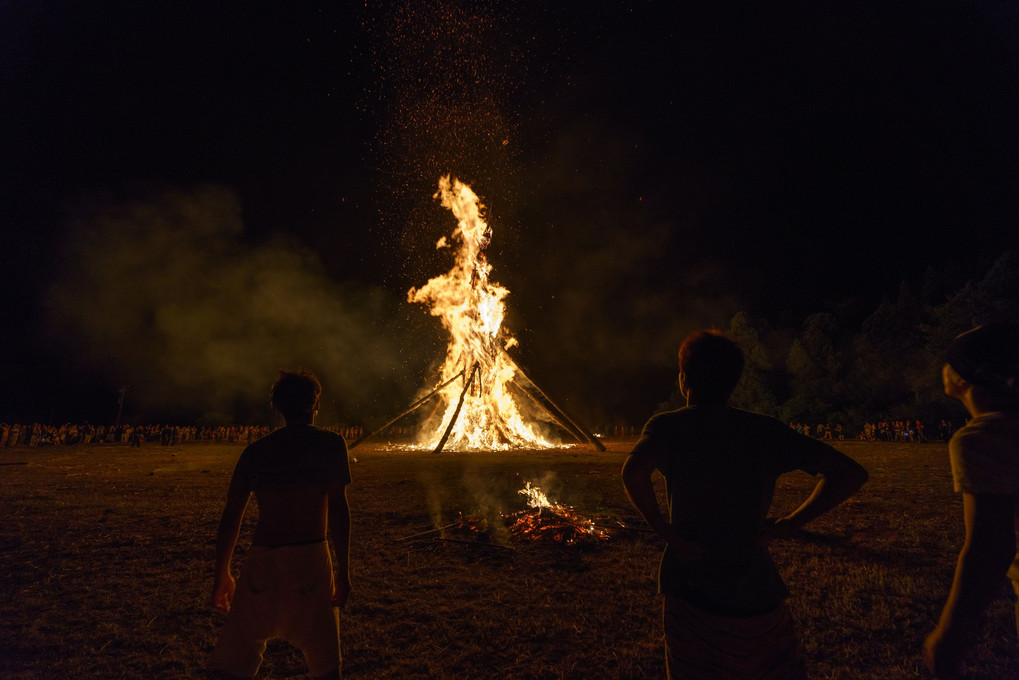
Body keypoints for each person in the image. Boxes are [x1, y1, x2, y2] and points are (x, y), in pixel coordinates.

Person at [621, 329, 868, 679]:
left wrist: (665, 532)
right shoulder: (764, 431)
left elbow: (633, 473)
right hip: (755, 587)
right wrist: (791, 522)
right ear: (733, 382)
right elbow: (848, 474)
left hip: (690, 585)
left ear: (683, 379)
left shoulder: (669, 426)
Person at [209, 370, 352, 680]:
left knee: (233, 666)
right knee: (326, 669)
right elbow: (339, 508)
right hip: (311, 562)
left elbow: (231, 515)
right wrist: (345, 568)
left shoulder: (256, 452)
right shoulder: (331, 445)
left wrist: (222, 573)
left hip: (264, 561)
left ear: (277, 408)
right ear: (316, 405)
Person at [923, 322, 1019, 679]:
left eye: (948, 362)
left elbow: (990, 547)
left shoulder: (984, 437)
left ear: (965, 376)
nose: (942, 369)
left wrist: (949, 633)